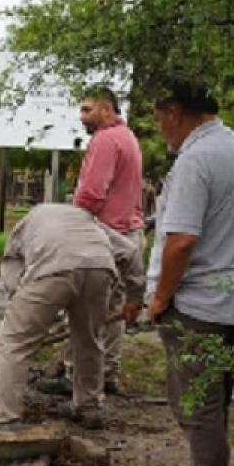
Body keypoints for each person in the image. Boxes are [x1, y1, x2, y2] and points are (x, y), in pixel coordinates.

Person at [145, 79, 234, 466]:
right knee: (214, 404)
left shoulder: (196, 160)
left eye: (158, 117)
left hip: (200, 307)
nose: (159, 128)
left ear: (174, 113)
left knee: (196, 409)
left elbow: (181, 242)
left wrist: (160, 298)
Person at [0, 203, 143, 428]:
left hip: (53, 267)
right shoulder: (88, 220)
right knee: (89, 340)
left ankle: (6, 419)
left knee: (14, 342)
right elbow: (131, 251)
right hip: (99, 269)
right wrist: (134, 298)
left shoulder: (28, 222)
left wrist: (23, 306)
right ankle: (89, 407)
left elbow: (12, 264)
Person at [73, 85, 144, 394]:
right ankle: (109, 374)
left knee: (87, 307)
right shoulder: (127, 137)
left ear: (106, 109)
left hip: (107, 235)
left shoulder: (104, 140)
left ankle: (83, 376)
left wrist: (73, 225)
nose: (82, 117)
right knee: (114, 309)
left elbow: (91, 193)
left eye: (87, 110)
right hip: (129, 233)